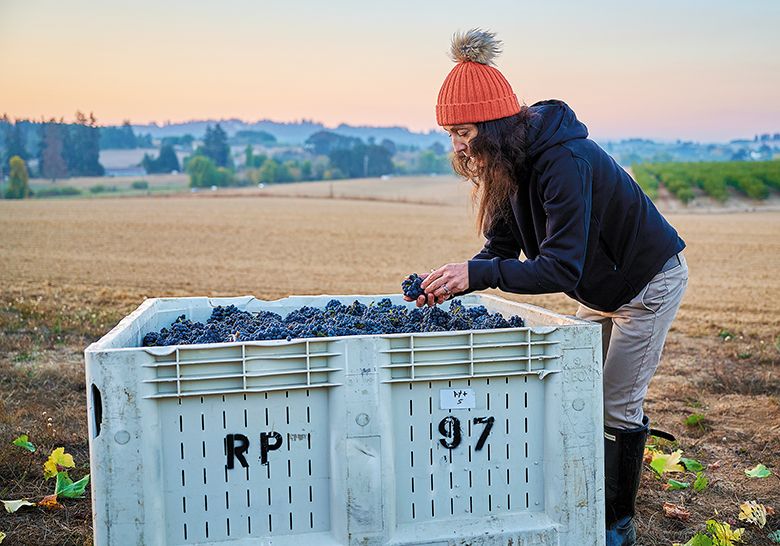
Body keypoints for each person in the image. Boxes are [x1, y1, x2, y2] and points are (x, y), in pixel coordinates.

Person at [406, 29, 688, 546]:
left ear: (493, 125)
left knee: (614, 405)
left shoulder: (564, 162)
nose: (457, 145)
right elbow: (499, 250)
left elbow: (559, 269)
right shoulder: (507, 164)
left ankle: (616, 523)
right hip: (599, 290)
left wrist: (479, 275)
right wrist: (452, 283)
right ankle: (585, 493)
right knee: (577, 391)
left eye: (463, 131)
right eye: (450, 133)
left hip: (646, 285)